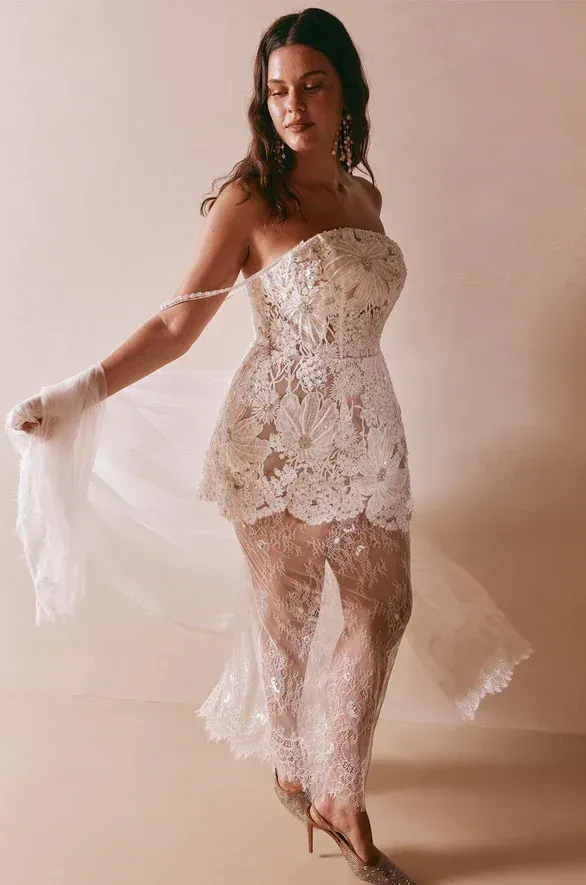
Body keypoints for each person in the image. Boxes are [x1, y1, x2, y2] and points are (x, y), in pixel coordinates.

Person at [6, 10, 532, 885]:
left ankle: (331, 777)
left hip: (370, 426)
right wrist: (79, 391)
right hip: (278, 436)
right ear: (264, 103)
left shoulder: (367, 196)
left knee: (382, 609)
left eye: (313, 85)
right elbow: (180, 321)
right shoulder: (253, 199)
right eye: (278, 90)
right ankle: (319, 785)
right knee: (287, 623)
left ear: (346, 93)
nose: (294, 105)